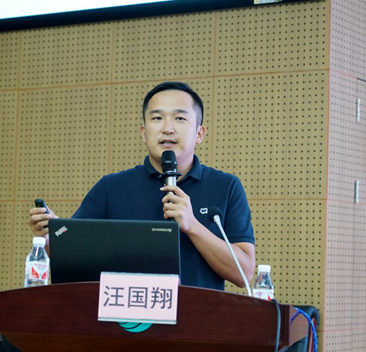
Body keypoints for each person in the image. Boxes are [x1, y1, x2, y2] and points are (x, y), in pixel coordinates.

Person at [29, 82, 255, 290]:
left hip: (199, 319)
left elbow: (244, 273)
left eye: (180, 118)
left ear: (199, 133)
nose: (168, 128)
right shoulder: (111, 187)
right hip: (124, 318)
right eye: (157, 118)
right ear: (144, 133)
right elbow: (73, 259)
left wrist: (193, 226)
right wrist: (50, 238)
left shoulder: (226, 186)